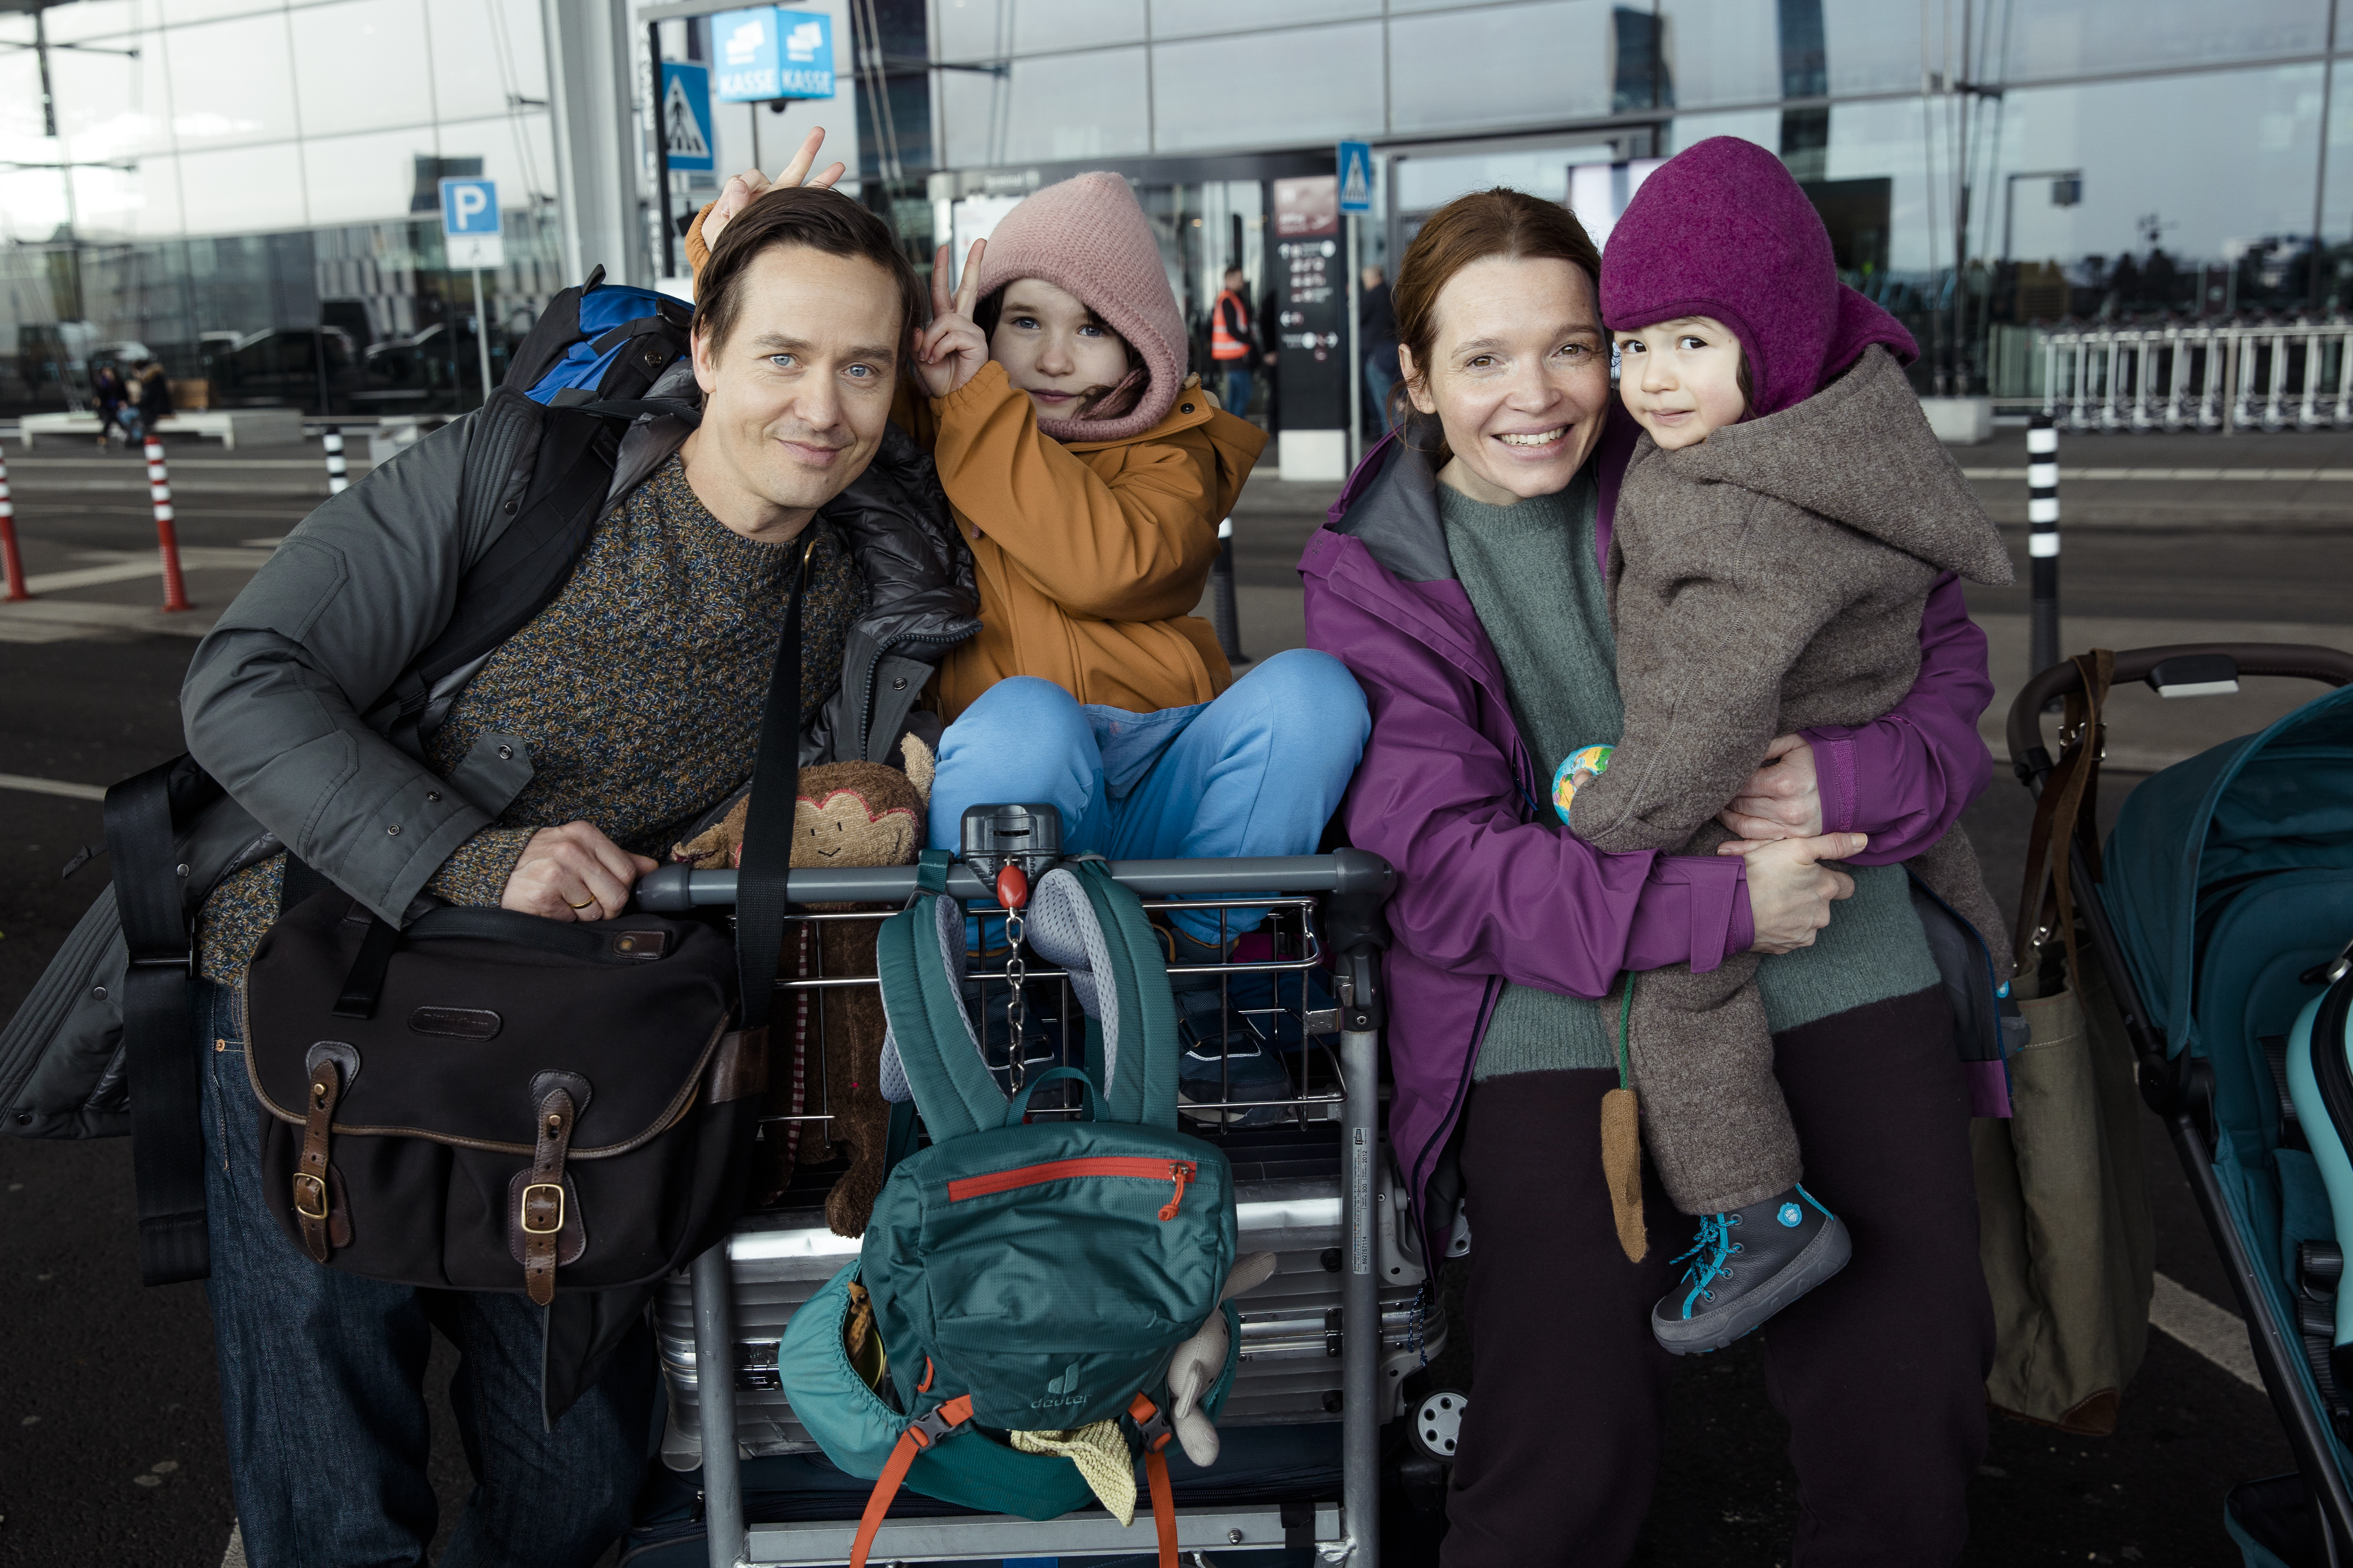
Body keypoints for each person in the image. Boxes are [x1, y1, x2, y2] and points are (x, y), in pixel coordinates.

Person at [170, 182, 973, 1567]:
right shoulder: (521, 473)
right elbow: (241, 685)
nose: (823, 407)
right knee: (328, 1483)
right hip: (328, 993)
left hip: (580, 1051)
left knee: (575, 1485)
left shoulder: (858, 594)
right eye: (782, 354)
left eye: (863, 365)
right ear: (705, 351)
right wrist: (475, 857)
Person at [1300, 187, 1998, 1563]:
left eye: (1574, 345)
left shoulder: (1719, 445)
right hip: (1558, 995)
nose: (1539, 396)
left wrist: (1843, 782)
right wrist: (1706, 909)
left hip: (1831, 938)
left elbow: (1942, 680)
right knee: (1555, 1434)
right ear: (1413, 379)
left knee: (1904, 1400)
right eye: (1482, 358)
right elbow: (1441, 869)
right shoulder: (1374, 572)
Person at [692, 156, 1370, 1126]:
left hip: (1172, 776)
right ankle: (998, 995)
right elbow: (788, 369)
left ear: (1143, 350)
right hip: (1027, 806)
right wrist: (731, 252)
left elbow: (1113, 563)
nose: (1054, 359)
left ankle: (1197, 981)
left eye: (1092, 328)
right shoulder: (934, 415)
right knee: (1023, 717)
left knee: (1315, 691)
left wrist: (979, 408)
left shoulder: (1179, 450)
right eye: (1026, 322)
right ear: (975, 323)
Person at [1559, 136, 2017, 1354]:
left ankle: (1756, 1215)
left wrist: (1607, 813)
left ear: (1766, 343)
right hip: (1829, 771)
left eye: (1689, 342)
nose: (1650, 379)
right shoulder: (1828, 429)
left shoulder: (1735, 506)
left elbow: (1704, 715)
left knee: (1676, 998)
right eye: (1629, 345)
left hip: (1767, 797)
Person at [1208, 263, 1261, 418]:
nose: (1242, 282)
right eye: (1239, 279)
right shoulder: (1228, 300)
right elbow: (1232, 329)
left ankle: (1233, 431)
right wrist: (1249, 341)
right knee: (1242, 395)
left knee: (1235, 395)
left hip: (1232, 355)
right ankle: (1236, 432)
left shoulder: (1229, 299)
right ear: (1229, 280)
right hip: (1234, 355)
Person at [1359, 263, 1399, 434]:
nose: (1365, 283)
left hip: (1377, 353)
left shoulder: (1373, 295)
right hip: (1391, 350)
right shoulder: (1392, 294)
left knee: (1382, 401)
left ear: (1374, 278)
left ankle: (1387, 440)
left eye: (1365, 280)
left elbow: (1358, 318)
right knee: (1392, 400)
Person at [138, 355, 174, 431]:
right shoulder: (155, 377)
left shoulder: (151, 380)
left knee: (134, 413)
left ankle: (138, 437)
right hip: (160, 407)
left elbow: (148, 399)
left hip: (159, 408)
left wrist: (134, 405)